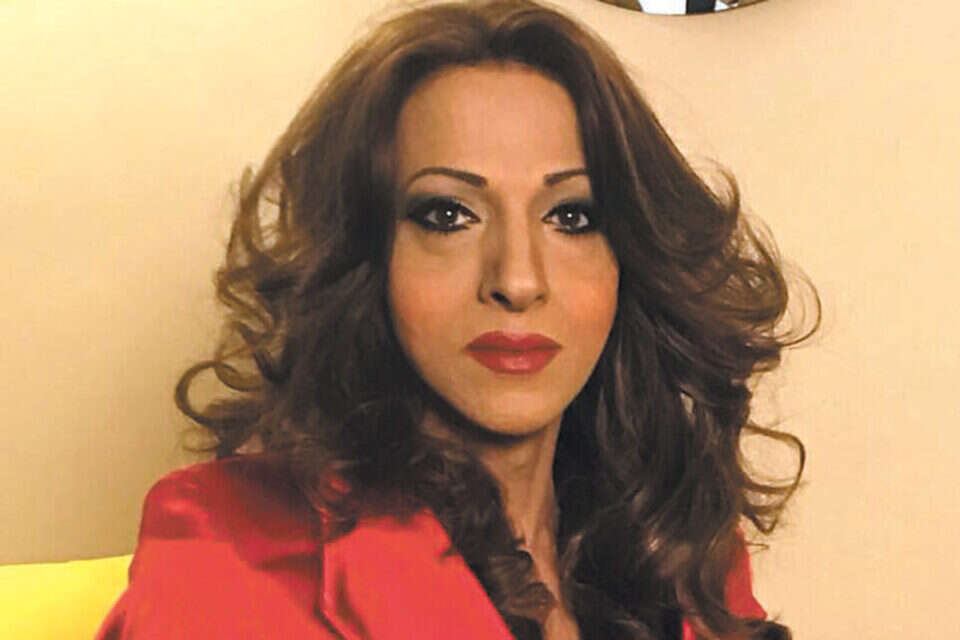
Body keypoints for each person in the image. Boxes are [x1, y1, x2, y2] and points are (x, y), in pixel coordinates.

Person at [95, 0, 818, 638]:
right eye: (448, 215)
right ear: (367, 255)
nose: (518, 280)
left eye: (571, 216)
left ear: (629, 258)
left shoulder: (680, 553)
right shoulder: (227, 554)